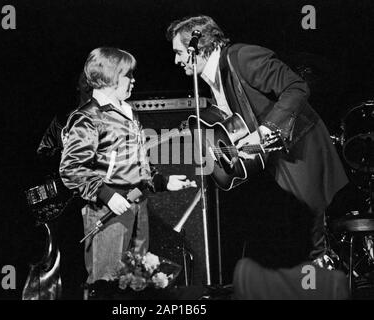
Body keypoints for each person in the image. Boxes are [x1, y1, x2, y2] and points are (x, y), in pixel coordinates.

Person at [165, 15, 349, 264]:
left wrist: (264, 131)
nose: (176, 61)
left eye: (178, 52)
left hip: (299, 149)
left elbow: (296, 87)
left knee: (309, 237)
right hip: (275, 160)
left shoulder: (242, 57)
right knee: (285, 238)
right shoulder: (215, 76)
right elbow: (239, 121)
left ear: (196, 47)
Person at [59, 47, 195, 287]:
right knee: (107, 281)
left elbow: (136, 160)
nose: (134, 80)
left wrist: (162, 181)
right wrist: (107, 195)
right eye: (128, 74)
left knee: (137, 281)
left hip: (137, 203)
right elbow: (71, 168)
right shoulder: (89, 117)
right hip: (108, 210)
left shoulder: (129, 111)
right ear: (110, 76)